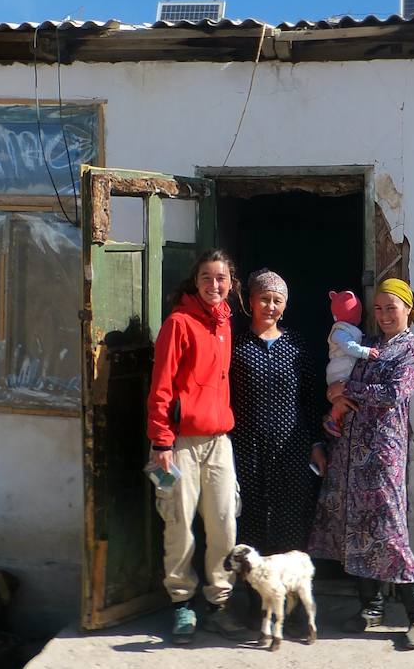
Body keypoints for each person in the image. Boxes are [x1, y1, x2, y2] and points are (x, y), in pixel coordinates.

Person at [307, 278, 414, 649]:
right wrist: (336, 400)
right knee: (355, 528)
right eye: (377, 309)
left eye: (390, 307)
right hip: (348, 451)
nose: (383, 315)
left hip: (383, 455)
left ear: (408, 308)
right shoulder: (369, 346)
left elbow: (395, 394)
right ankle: (371, 608)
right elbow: (340, 383)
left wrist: (349, 390)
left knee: (389, 531)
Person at [146, 248, 248, 644]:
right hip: (180, 444)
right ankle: (181, 604)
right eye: (207, 277)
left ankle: (219, 603)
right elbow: (161, 386)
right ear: (196, 281)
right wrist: (161, 441)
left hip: (219, 440)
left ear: (230, 282)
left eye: (221, 278)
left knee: (224, 523)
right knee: (179, 525)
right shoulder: (179, 323)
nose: (214, 285)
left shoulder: (225, 323)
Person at [230, 269, 326, 556]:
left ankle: (285, 590)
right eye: (264, 299)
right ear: (251, 302)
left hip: (291, 447)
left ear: (284, 306)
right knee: (249, 516)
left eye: (277, 300)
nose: (270, 306)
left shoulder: (296, 345)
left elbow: (311, 398)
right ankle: (254, 592)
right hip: (247, 446)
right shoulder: (237, 345)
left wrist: (316, 443)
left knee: (291, 516)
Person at [321, 290, 378, 437]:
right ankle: (332, 419)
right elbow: (348, 346)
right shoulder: (339, 331)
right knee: (342, 398)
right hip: (339, 372)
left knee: (347, 399)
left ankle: (337, 420)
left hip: (344, 369)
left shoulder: (349, 330)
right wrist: (365, 352)